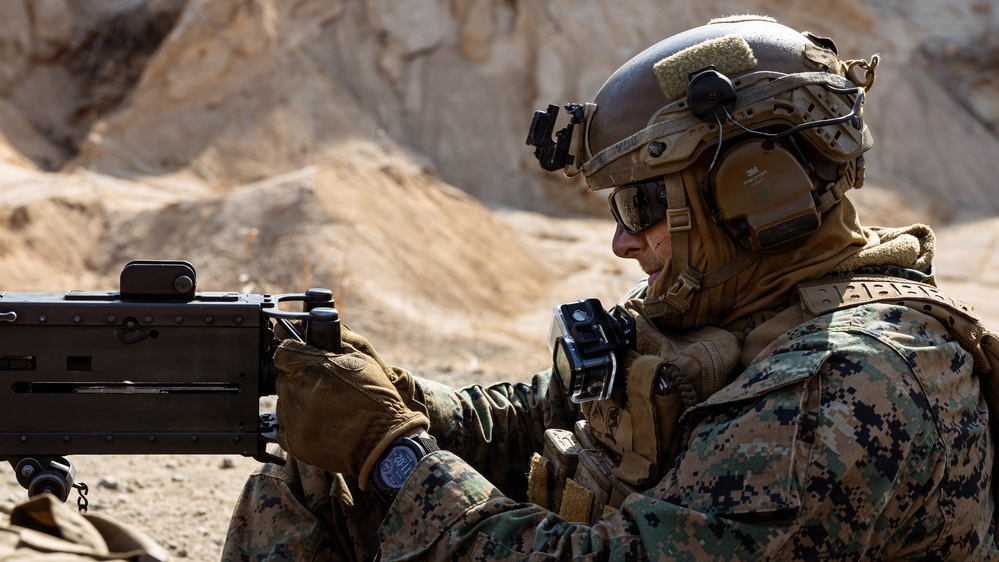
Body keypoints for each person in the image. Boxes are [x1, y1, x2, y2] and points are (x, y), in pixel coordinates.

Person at [223, 15, 998, 561]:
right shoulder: (733, 308)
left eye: (644, 205)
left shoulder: (838, 386)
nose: (622, 241)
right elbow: (546, 417)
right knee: (311, 474)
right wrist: (396, 400)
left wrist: (392, 453)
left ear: (748, 193)